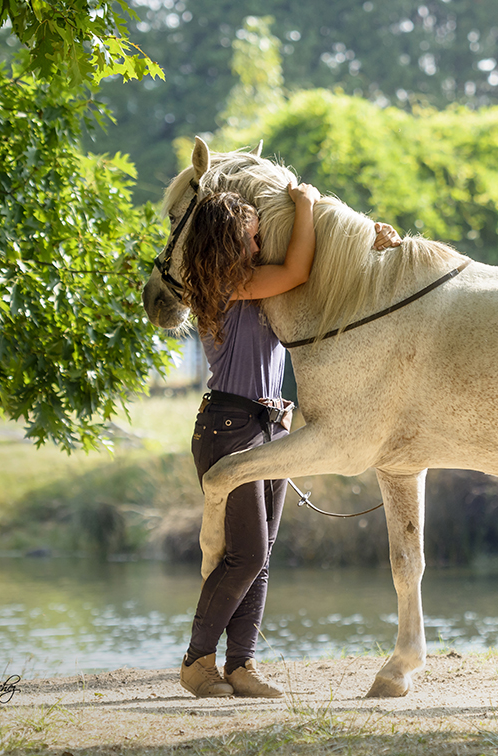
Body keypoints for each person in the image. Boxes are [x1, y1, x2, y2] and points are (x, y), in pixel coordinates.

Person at [177, 183, 401, 698]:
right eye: (253, 240)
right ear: (229, 243)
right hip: (230, 426)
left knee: (261, 552)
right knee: (247, 554)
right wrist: (305, 204)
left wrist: (369, 244)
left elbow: (315, 279)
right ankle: (197, 661)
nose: (259, 248)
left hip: (271, 423)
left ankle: (240, 666)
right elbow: (298, 269)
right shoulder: (225, 284)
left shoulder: (260, 285)